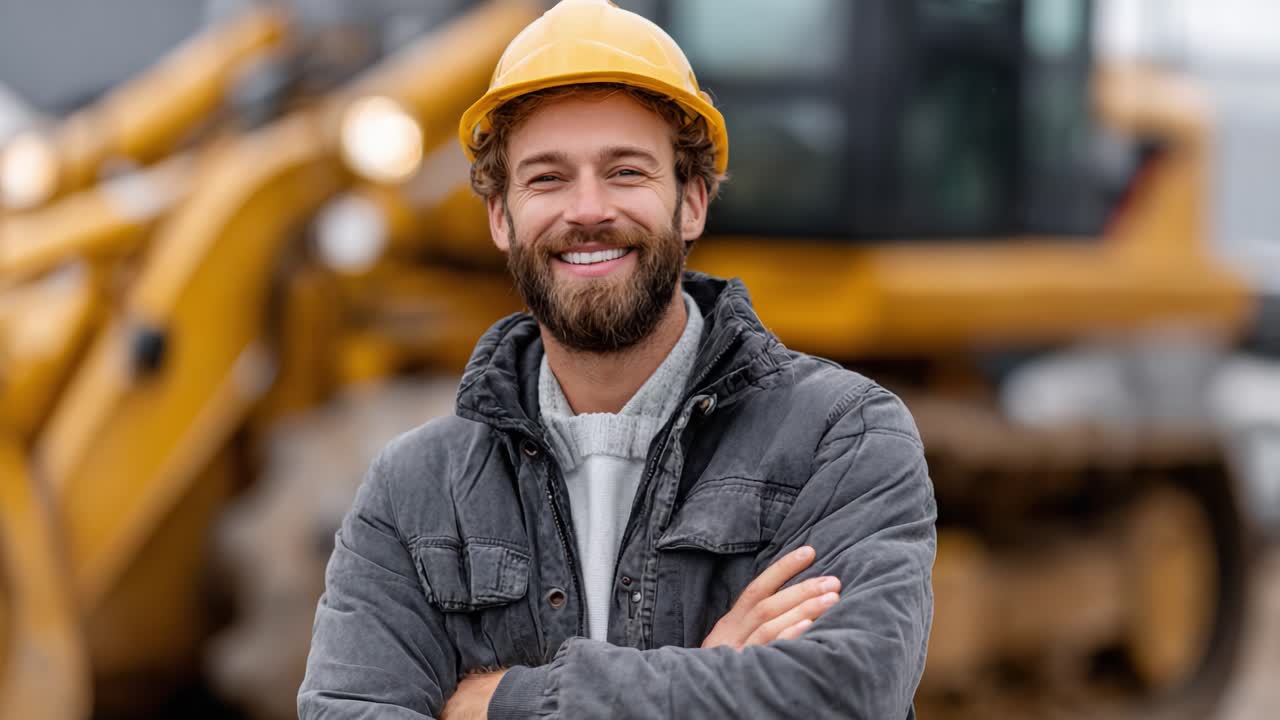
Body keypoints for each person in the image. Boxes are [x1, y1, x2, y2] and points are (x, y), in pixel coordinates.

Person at [299, 1, 935, 717]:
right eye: (546, 178)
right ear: (500, 217)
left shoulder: (838, 440)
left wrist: (502, 703)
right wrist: (710, 676)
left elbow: (843, 695)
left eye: (626, 171)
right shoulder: (414, 491)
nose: (588, 209)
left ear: (691, 201)